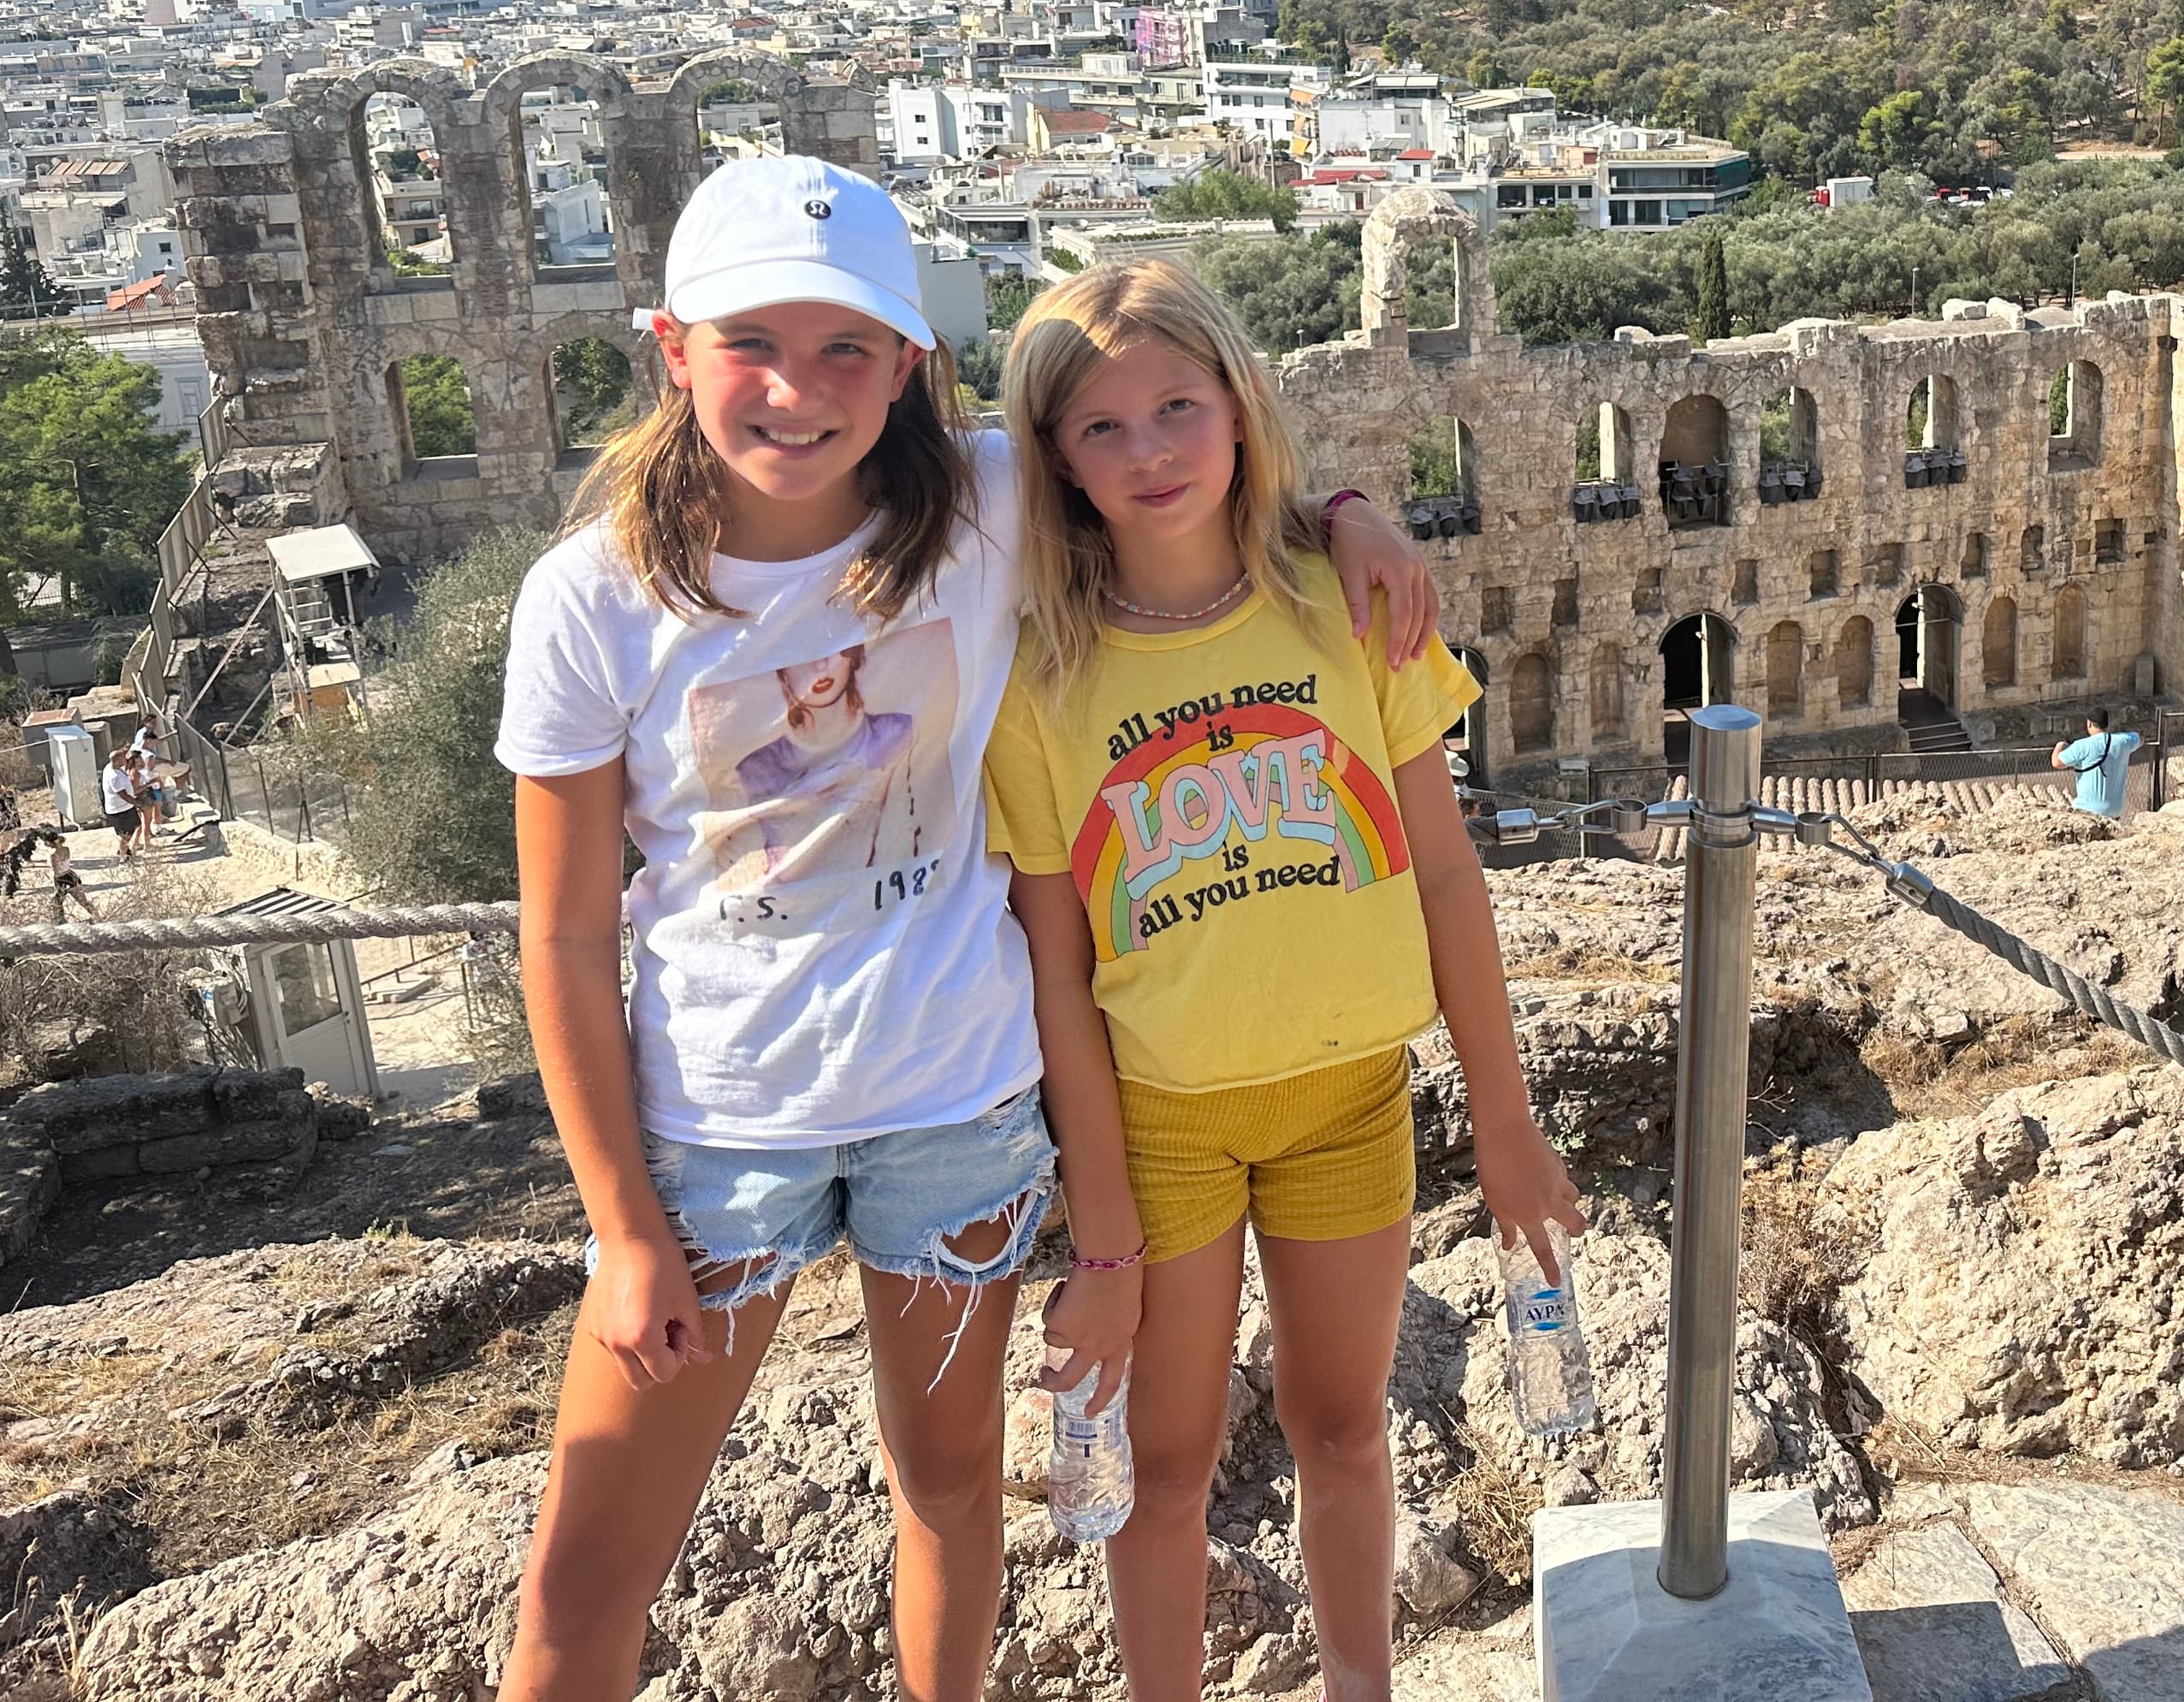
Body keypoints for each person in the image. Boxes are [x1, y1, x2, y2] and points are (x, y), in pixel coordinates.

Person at [488, 160, 1431, 1702]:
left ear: (909, 363)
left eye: (848, 346)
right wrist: (620, 1225)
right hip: (722, 1132)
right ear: (672, 347)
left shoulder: (987, 505)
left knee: (948, 1499)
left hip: (955, 1110)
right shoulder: (591, 600)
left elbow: (1175, 454)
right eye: (753, 345)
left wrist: (1347, 511)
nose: (800, 390)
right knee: (584, 1579)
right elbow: (560, 936)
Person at [983, 262, 1583, 1702]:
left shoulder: (1346, 603)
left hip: (1351, 1100)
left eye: (1179, 406)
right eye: (1102, 428)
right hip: (1166, 1119)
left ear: (1244, 408)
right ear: (1054, 459)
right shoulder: (1039, 673)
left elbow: (1445, 874)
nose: (1151, 453)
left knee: (1346, 1426)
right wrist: (1106, 1232)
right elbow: (1057, 972)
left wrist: (1503, 1126)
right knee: (1165, 1466)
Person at [2050, 705, 2143, 819]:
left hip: (2088, 811)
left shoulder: (2081, 746)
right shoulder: (2123, 741)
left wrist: (2059, 746)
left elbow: (2056, 762)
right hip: (2115, 811)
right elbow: (2140, 739)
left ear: (2089, 724)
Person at [98, 750, 145, 861]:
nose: (126, 759)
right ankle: (123, 857)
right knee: (125, 835)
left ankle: (124, 848)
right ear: (117, 760)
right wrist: (137, 803)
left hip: (126, 807)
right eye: (124, 757)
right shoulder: (114, 776)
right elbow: (123, 795)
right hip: (119, 810)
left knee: (136, 825)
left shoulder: (111, 768)